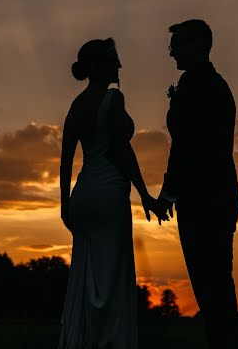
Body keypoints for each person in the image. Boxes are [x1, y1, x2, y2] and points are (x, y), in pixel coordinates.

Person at [58, 38, 167, 349]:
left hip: (83, 196)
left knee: (85, 275)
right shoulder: (113, 99)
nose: (119, 65)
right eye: (112, 59)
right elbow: (121, 149)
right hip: (108, 195)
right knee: (113, 280)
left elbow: (66, 160)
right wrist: (145, 194)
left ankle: (81, 340)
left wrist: (65, 205)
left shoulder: (76, 106)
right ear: (96, 66)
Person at [155, 19, 238, 349]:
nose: (172, 52)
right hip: (208, 199)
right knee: (212, 290)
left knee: (214, 288)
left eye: (177, 45)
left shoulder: (203, 87)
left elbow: (188, 148)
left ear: (199, 46)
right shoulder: (198, 83)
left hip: (207, 201)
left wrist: (167, 193)